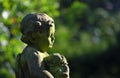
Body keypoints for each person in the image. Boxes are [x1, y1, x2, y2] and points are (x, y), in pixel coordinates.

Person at [15, 13, 69, 78]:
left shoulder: (43, 54)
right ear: (34, 36)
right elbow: (38, 73)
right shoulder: (32, 53)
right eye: (49, 36)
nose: (53, 39)